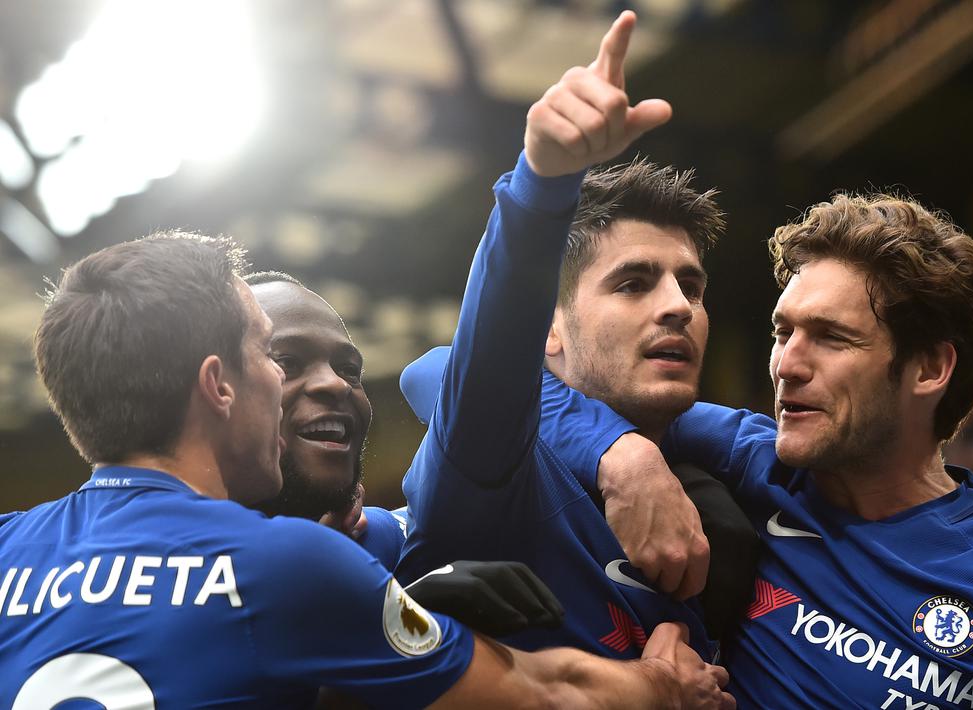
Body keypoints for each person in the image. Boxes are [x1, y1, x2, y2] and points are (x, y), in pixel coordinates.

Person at [0, 20, 734, 704]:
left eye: (349, 368)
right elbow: (463, 375)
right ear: (217, 385)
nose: (326, 387)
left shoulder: (11, 552)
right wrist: (662, 685)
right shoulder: (293, 568)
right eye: (273, 356)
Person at [525, 194, 973, 707]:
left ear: (927, 369)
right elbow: (446, 375)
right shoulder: (753, 460)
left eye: (830, 338)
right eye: (784, 332)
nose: (787, 365)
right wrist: (620, 454)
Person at [396, 9, 758, 661]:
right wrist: (545, 178)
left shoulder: (719, 480)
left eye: (692, 286)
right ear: (548, 334)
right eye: (632, 283)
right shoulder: (493, 465)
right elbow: (470, 353)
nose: (678, 305)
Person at [249, 270, 566, 636]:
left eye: (349, 369)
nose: (336, 383)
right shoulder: (176, 568)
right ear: (213, 390)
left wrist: (610, 446)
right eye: (286, 362)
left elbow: (445, 370)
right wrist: (396, 626)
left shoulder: (384, 540)